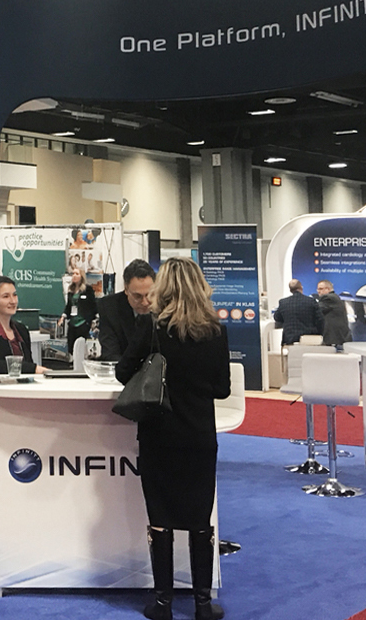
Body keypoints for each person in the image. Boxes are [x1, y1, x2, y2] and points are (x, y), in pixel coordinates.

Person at [117, 257, 230, 620]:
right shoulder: (215, 331)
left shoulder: (152, 327)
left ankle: (163, 603)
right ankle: (202, 604)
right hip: (199, 435)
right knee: (200, 519)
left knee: (160, 518)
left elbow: (123, 372)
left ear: (163, 288)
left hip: (158, 434)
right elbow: (222, 388)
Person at [0, 274, 46, 432]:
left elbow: (29, 366)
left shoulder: (21, 330)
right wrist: (32, 368)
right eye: (6, 296)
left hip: (24, 402)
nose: (13, 301)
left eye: (14, 295)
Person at [97, 258, 157, 360]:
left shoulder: (166, 306)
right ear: (126, 289)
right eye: (137, 296)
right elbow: (110, 354)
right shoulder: (109, 308)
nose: (145, 302)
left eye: (150, 295)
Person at [272, 279, 323, 344]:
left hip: (290, 338)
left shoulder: (283, 302)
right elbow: (320, 319)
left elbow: (277, 317)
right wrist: (320, 333)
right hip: (309, 338)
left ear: (290, 290)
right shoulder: (311, 301)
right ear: (301, 288)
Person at [60, 264, 98, 347]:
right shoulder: (71, 290)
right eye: (73, 274)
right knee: (71, 345)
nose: (74, 276)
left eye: (77, 274)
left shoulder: (87, 290)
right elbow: (69, 305)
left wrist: (91, 321)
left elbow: (93, 305)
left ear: (81, 276)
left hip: (83, 322)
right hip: (72, 322)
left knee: (81, 346)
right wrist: (63, 317)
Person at [316, 280, 350, 345]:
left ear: (328, 289)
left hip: (334, 338)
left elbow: (317, 309)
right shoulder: (335, 297)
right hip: (339, 337)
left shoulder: (328, 298)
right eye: (318, 289)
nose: (318, 291)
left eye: (320, 289)